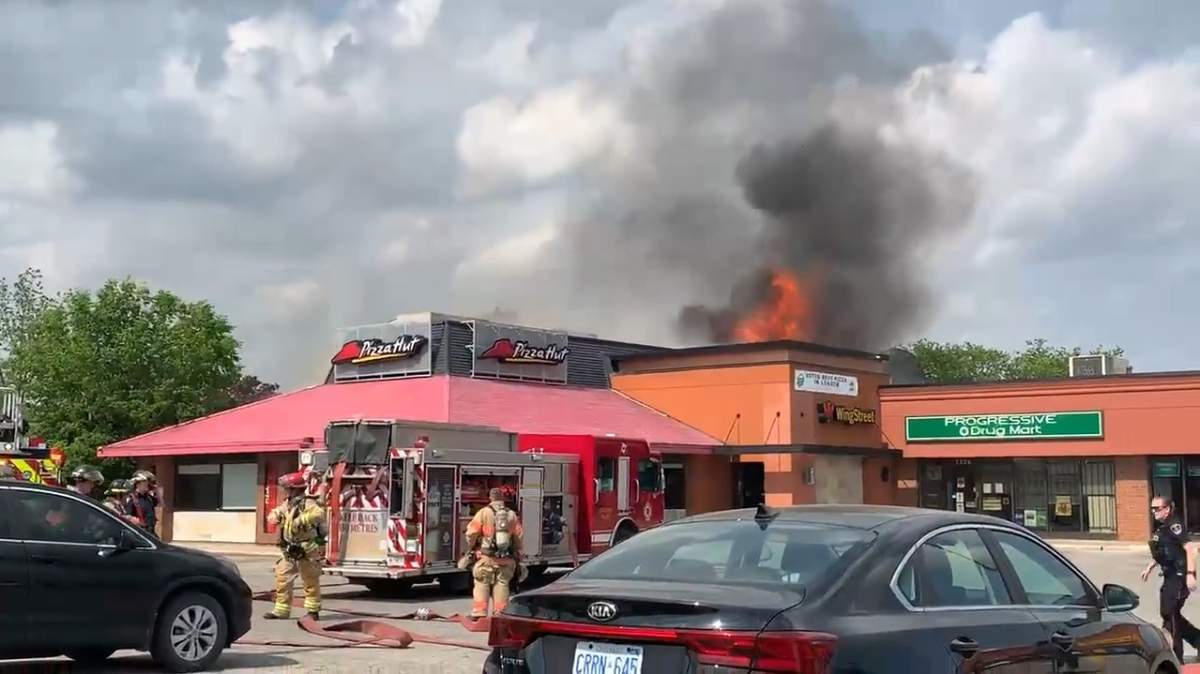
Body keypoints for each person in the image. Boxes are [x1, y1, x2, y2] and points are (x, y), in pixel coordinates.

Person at [1142, 495, 1200, 661]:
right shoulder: (1162, 528)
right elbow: (1165, 551)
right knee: (1169, 613)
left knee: (1170, 612)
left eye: (1157, 509)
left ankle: (1176, 655)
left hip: (1180, 576)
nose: (1154, 512)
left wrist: (1190, 575)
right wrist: (1150, 566)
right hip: (1170, 576)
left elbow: (1191, 549)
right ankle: (1196, 640)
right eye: (1152, 509)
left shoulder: (1175, 525)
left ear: (1167, 509)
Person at [264, 471, 326, 621]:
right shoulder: (288, 503)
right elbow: (276, 513)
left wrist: (301, 520)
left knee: (310, 581)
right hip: (289, 549)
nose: (286, 491)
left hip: (307, 549)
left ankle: (313, 611)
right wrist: (275, 516)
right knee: (282, 578)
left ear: (296, 489)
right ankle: (281, 610)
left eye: (288, 488)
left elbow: (319, 514)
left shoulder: (308, 503)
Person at [462, 487, 525, 619]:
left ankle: (479, 613)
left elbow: (471, 532)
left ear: (490, 498)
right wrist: (518, 553)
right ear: (503, 499)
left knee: (482, 583)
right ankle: (500, 613)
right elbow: (519, 536)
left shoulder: (484, 512)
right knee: (502, 584)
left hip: (486, 557)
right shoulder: (511, 514)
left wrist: (472, 546)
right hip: (507, 559)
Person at [126, 470, 161, 535]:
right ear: (138, 483)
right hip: (140, 533)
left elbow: (161, 503)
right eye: (145, 482)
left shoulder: (149, 498)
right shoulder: (132, 499)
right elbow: (127, 517)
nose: (148, 484)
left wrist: (156, 489)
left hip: (150, 532)